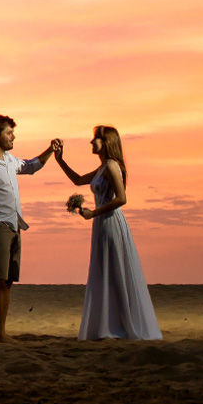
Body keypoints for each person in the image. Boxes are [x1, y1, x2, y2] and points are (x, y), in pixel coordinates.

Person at [56, 125, 161, 340]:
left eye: (95, 139)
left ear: (107, 142)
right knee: (104, 270)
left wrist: (94, 213)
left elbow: (122, 198)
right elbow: (77, 180)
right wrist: (60, 160)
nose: (91, 142)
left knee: (115, 270)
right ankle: (109, 323)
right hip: (102, 224)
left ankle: (121, 324)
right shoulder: (103, 167)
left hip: (111, 222)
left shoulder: (112, 166)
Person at [0, 115, 60, 342]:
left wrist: (50, 150)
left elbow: (30, 167)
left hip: (14, 223)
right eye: (9, 133)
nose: (13, 137)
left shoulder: (9, 160)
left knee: (7, 280)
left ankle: (0, 332)